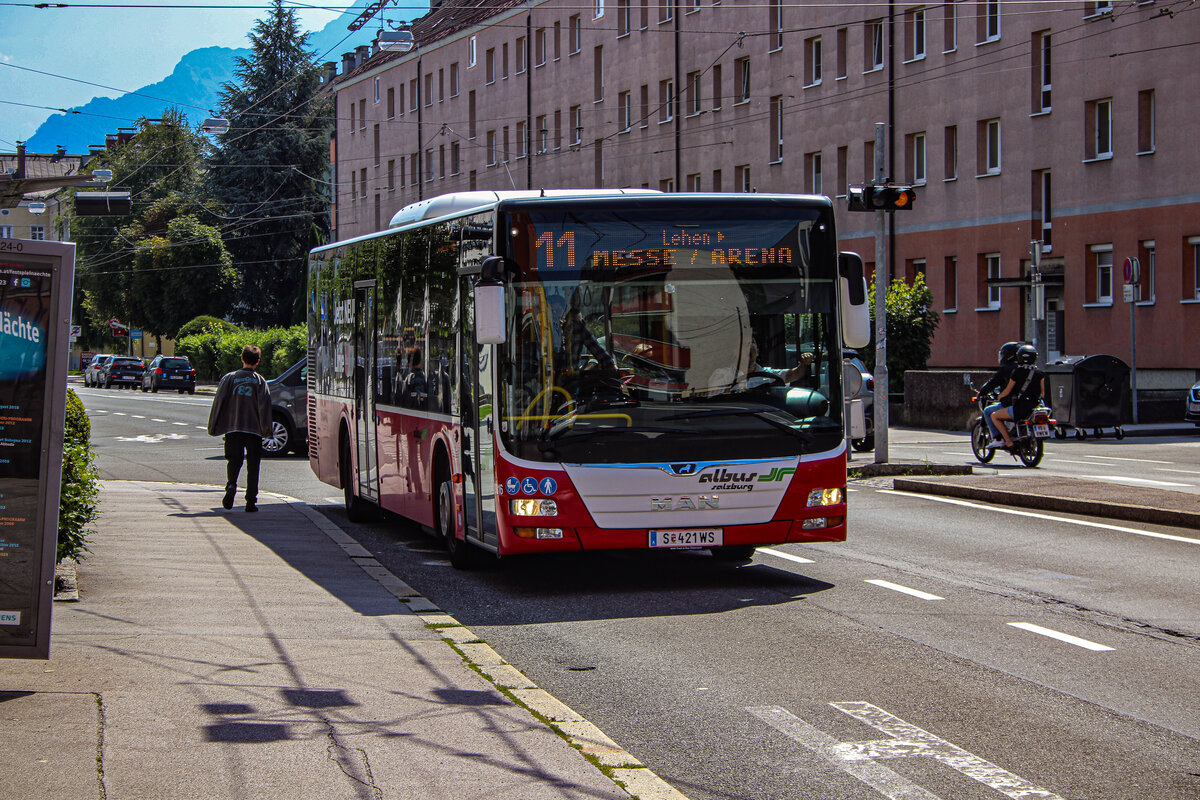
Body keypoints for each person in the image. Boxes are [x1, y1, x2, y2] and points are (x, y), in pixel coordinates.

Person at [207, 344, 272, 512]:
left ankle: (231, 485)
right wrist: (266, 429)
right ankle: (251, 501)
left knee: (234, 461)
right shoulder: (260, 381)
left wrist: (214, 425)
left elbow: (219, 402)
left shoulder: (229, 378)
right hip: (254, 431)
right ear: (258, 362)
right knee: (253, 465)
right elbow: (265, 407)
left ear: (242, 359)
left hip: (233, 428)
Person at [989, 344, 1048, 449]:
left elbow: (1008, 390)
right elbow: (1043, 393)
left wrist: (1000, 397)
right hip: (1035, 406)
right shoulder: (1040, 373)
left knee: (994, 415)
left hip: (1020, 408)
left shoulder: (1017, 372)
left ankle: (1008, 441)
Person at [979, 341, 1021, 444]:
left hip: (1013, 404)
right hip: (1031, 403)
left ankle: (999, 439)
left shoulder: (1006, 369)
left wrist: (981, 392)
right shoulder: (1028, 369)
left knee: (989, 411)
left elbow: (993, 383)